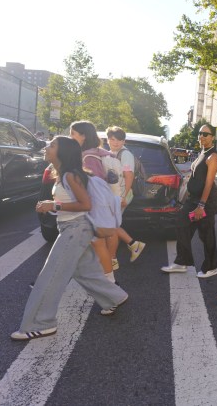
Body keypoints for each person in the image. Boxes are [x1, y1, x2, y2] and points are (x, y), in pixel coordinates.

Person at [11, 136, 128, 341]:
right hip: (73, 228)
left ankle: (41, 323)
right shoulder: (65, 174)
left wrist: (53, 206)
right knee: (86, 271)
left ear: (63, 152)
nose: (47, 147)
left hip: (76, 229)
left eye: (52, 145)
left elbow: (86, 204)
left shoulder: (70, 176)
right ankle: (114, 298)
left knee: (52, 274)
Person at [162, 123, 217, 278]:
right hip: (193, 200)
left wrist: (201, 205)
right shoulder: (202, 152)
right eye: (200, 133)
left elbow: (209, 182)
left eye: (205, 134)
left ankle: (212, 267)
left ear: (212, 137)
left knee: (206, 234)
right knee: (182, 224)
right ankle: (182, 262)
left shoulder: (212, 156)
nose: (201, 136)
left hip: (205, 202)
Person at [70, 120, 118, 283]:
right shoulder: (98, 152)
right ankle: (108, 280)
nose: (70, 137)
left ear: (83, 136)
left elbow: (95, 183)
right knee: (95, 244)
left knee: (98, 243)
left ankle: (110, 282)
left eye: (73, 134)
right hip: (96, 205)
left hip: (93, 206)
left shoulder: (89, 156)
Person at [106, 126, 146, 268]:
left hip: (122, 194)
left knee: (110, 225)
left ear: (124, 141)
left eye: (119, 140)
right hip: (114, 195)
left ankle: (115, 258)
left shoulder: (125, 154)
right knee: (112, 224)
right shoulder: (111, 153)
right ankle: (130, 247)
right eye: (112, 139)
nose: (115, 142)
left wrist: (123, 196)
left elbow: (129, 176)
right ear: (108, 140)